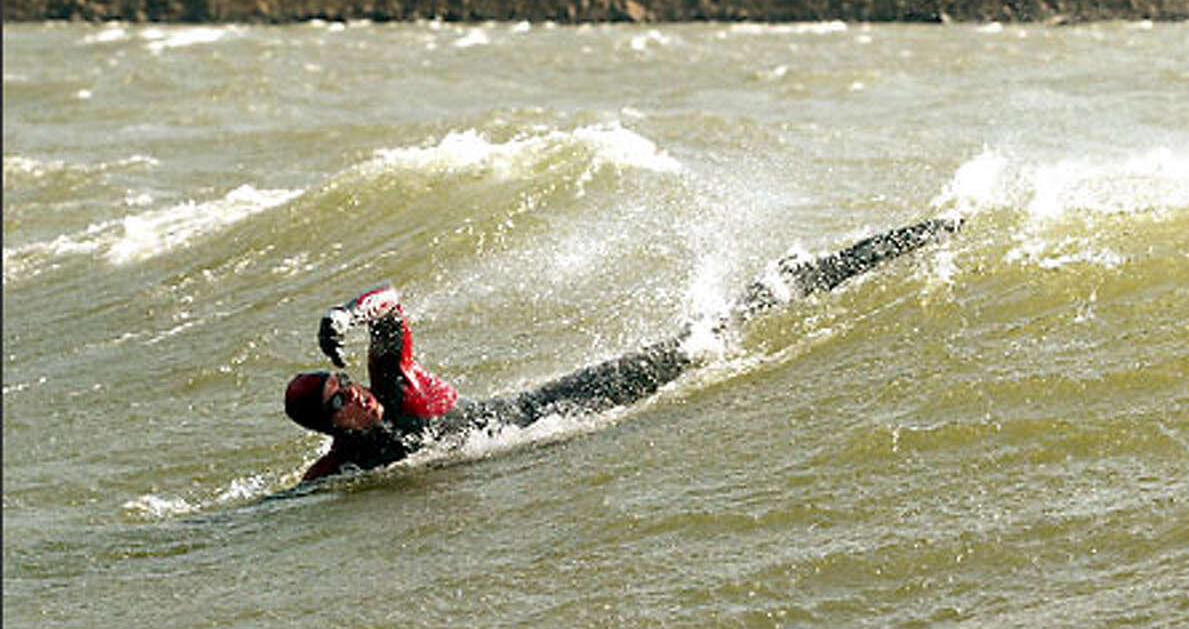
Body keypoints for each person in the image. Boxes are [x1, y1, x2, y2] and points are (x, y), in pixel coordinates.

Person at [283, 216, 962, 481]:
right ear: (332, 423)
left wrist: (348, 311)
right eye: (342, 401)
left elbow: (391, 304)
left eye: (346, 385)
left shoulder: (396, 393)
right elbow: (295, 497)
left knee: (712, 338)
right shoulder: (349, 459)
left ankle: (850, 261)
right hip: (555, 437)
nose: (357, 394)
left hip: (568, 400)